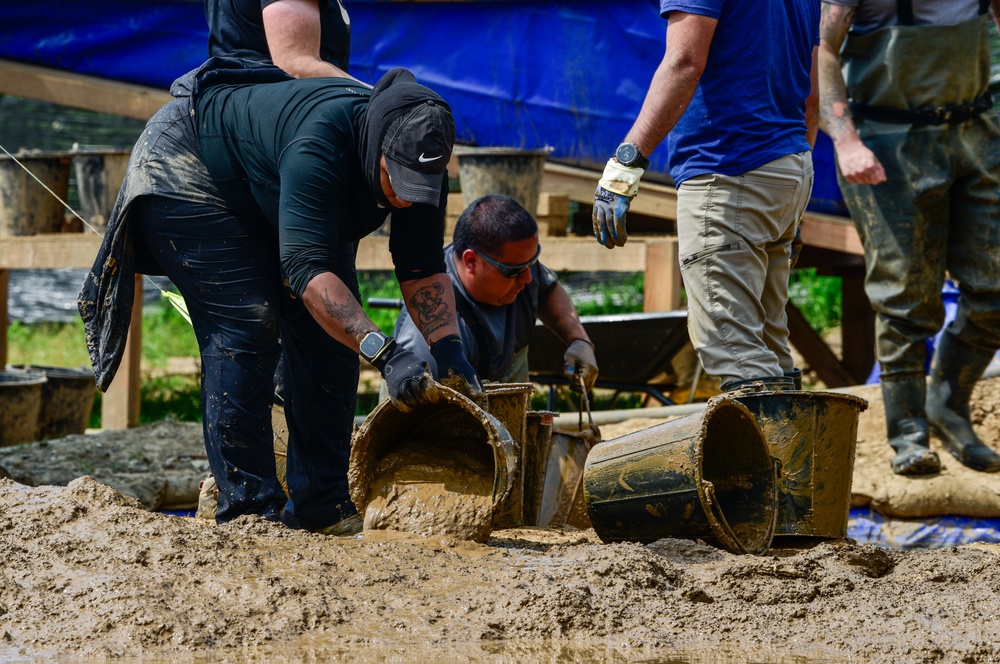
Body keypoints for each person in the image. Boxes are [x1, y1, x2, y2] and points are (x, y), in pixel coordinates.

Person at [590, 1, 820, 394]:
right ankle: (798, 456)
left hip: (729, 170)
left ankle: (767, 456)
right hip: (789, 164)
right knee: (767, 345)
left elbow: (684, 63)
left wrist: (625, 165)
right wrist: (793, 195)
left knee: (735, 349)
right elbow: (812, 94)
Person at [818, 0, 1000, 475]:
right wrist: (846, 140)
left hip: (976, 130)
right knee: (905, 296)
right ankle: (908, 432)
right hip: (890, 140)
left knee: (995, 288)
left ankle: (949, 404)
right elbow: (821, 50)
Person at [393, 194, 599, 391]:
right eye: (515, 271)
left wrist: (578, 339)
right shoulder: (427, 338)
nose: (528, 278)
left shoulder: (517, 265)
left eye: (532, 263)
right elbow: (421, 423)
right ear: (471, 261)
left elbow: (547, 289)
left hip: (503, 371)